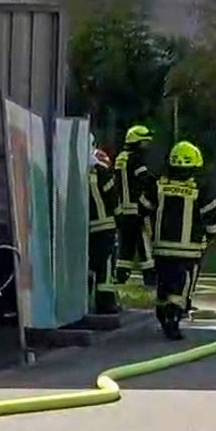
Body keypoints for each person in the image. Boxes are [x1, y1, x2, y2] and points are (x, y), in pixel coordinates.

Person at [141, 140, 216, 340]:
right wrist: (212, 235)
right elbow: (210, 215)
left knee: (164, 283)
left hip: (161, 248)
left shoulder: (159, 184)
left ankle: (161, 311)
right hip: (188, 250)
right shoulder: (199, 188)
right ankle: (173, 319)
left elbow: (143, 209)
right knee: (181, 285)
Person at [113, 124, 159, 285]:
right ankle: (150, 276)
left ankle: (121, 275)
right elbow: (146, 180)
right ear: (137, 143)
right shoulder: (136, 159)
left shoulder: (120, 158)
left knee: (125, 245)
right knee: (143, 242)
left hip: (122, 210)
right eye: (144, 142)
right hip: (137, 209)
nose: (147, 146)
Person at [85, 146, 123, 315]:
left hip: (82, 227)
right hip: (104, 225)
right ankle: (106, 302)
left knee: (86, 265)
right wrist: (120, 217)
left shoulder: (75, 169)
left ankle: (82, 302)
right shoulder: (102, 172)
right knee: (105, 265)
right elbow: (113, 198)